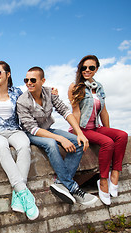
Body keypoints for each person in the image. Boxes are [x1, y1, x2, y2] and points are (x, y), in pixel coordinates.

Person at [16, 66, 98, 205]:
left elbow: (65, 111)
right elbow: (32, 128)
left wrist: (80, 133)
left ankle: (61, 183)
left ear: (42, 80)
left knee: (77, 143)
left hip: (48, 129)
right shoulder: (22, 101)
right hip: (31, 133)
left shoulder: (50, 93)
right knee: (51, 144)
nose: (28, 83)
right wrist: (60, 138)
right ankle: (73, 187)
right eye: (26, 80)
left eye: (33, 80)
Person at [0, 61, 38, 220]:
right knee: (2, 147)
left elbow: (34, 100)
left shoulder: (17, 92)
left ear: (8, 74)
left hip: (14, 129)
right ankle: (24, 193)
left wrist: (51, 92)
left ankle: (18, 195)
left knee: (24, 145)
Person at [68, 55, 128, 205]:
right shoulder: (75, 87)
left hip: (95, 127)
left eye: (91, 68)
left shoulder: (98, 87)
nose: (87, 70)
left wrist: (109, 131)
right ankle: (103, 181)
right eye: (84, 68)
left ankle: (114, 174)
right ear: (80, 69)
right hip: (81, 129)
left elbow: (104, 112)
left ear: (96, 69)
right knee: (107, 143)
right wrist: (79, 133)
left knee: (122, 136)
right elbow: (75, 112)